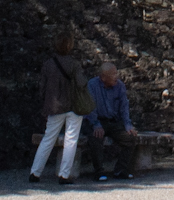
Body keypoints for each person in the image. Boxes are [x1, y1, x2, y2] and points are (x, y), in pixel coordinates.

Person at [30, 31, 88, 184]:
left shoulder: (48, 64)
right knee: (71, 140)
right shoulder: (74, 64)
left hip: (54, 106)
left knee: (48, 138)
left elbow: (42, 88)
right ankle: (64, 174)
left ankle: (35, 172)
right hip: (73, 106)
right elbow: (82, 84)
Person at [87, 63, 140, 180]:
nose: (116, 76)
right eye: (113, 74)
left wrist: (127, 124)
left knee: (130, 137)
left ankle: (121, 169)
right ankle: (99, 172)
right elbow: (90, 108)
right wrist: (96, 124)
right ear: (103, 77)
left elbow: (124, 106)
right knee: (95, 138)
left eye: (116, 73)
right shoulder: (92, 85)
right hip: (98, 120)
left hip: (114, 122)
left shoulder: (119, 86)